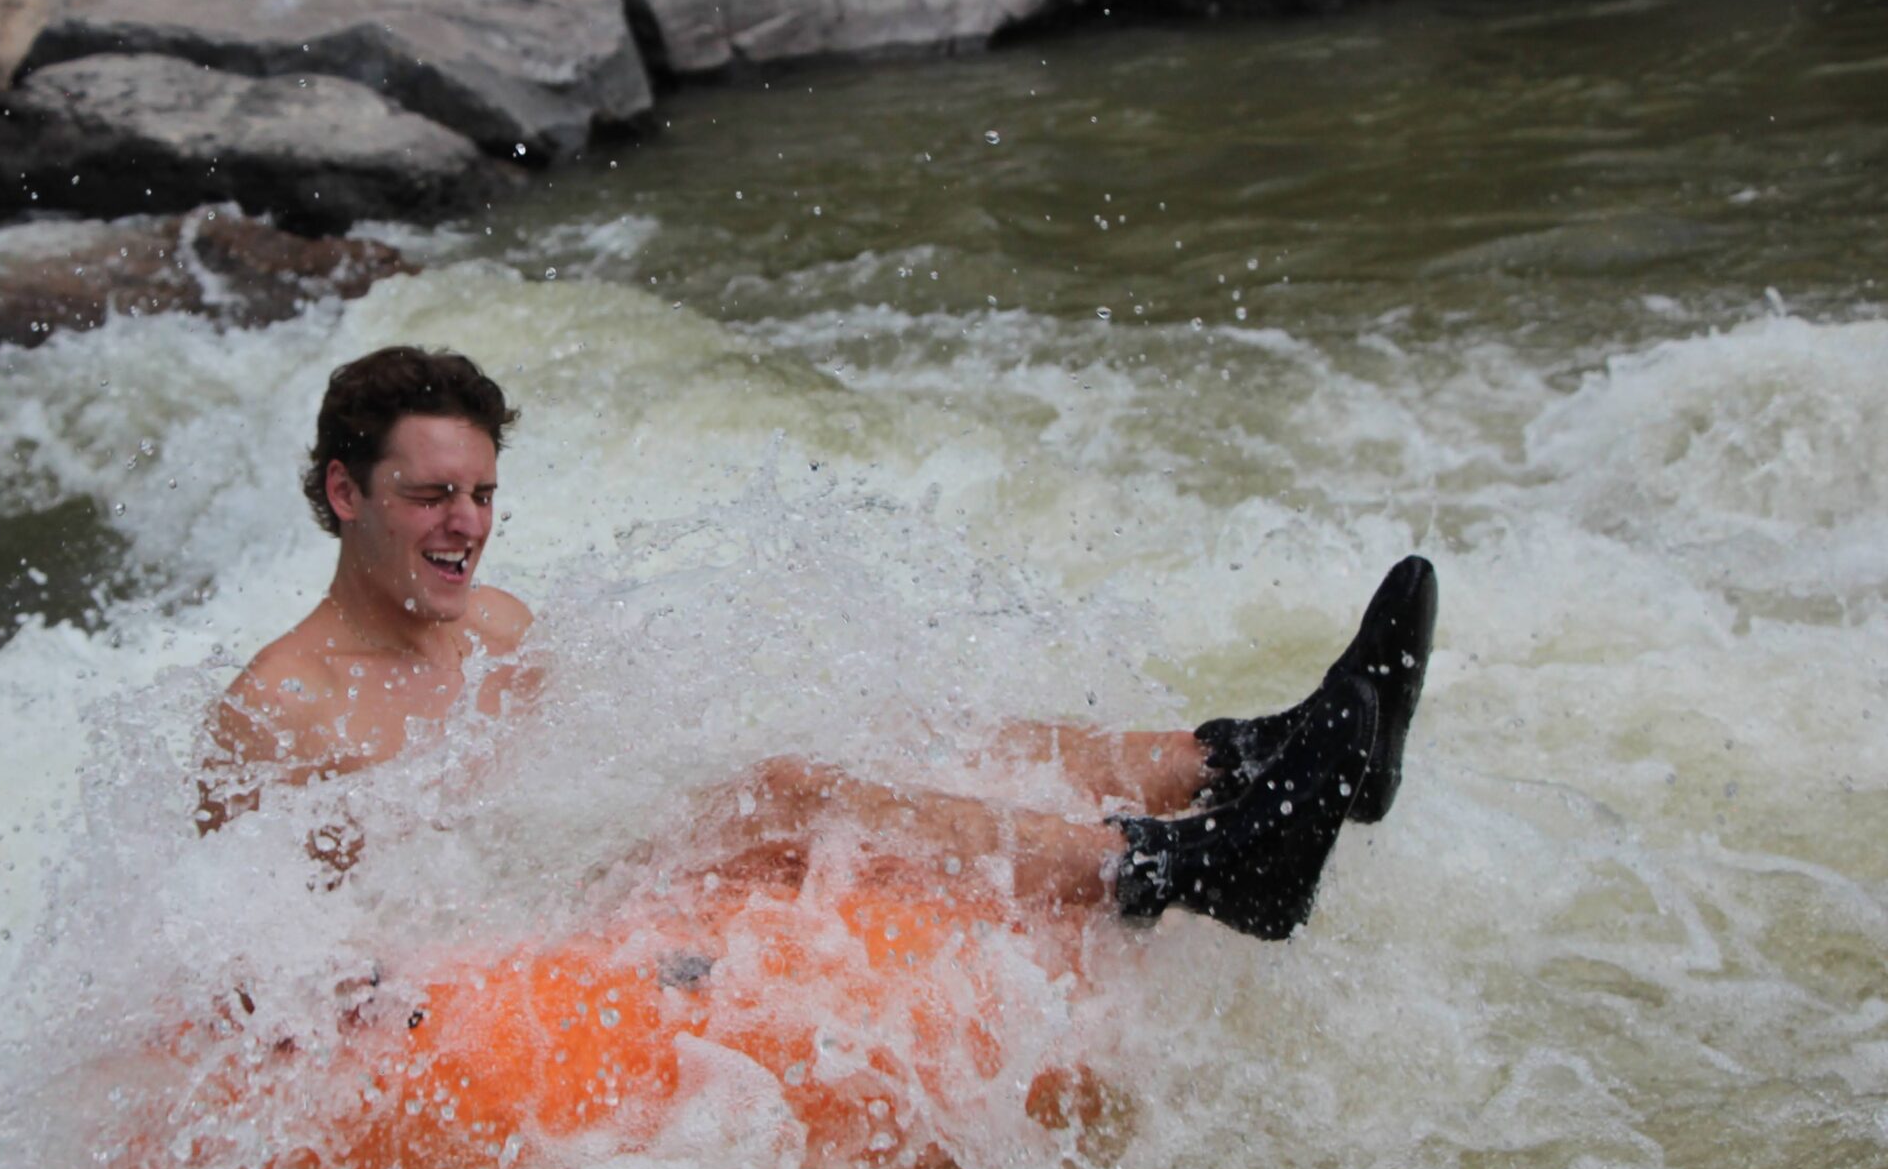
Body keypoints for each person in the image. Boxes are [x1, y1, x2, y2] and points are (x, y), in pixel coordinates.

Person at [196, 345, 1435, 943]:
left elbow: (594, 751)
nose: (464, 524)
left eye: (479, 494)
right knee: (778, 792)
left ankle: (1244, 756)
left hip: (562, 863)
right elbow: (228, 936)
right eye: (430, 497)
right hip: (491, 941)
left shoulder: (497, 620)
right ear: (345, 493)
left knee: (857, 727)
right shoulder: (276, 709)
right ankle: (1180, 866)